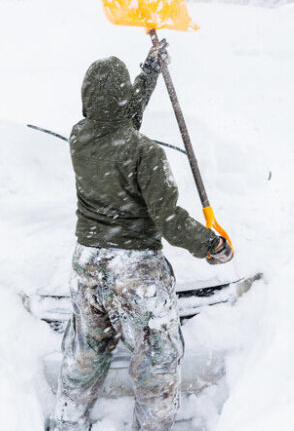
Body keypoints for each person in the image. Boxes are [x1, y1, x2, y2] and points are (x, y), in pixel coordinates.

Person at [51, 41, 233, 431]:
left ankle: (67, 423)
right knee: (157, 363)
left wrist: (149, 72)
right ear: (120, 101)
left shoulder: (78, 136)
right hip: (134, 272)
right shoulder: (145, 153)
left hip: (87, 266)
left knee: (84, 357)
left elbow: (123, 121)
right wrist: (212, 245)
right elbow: (168, 219)